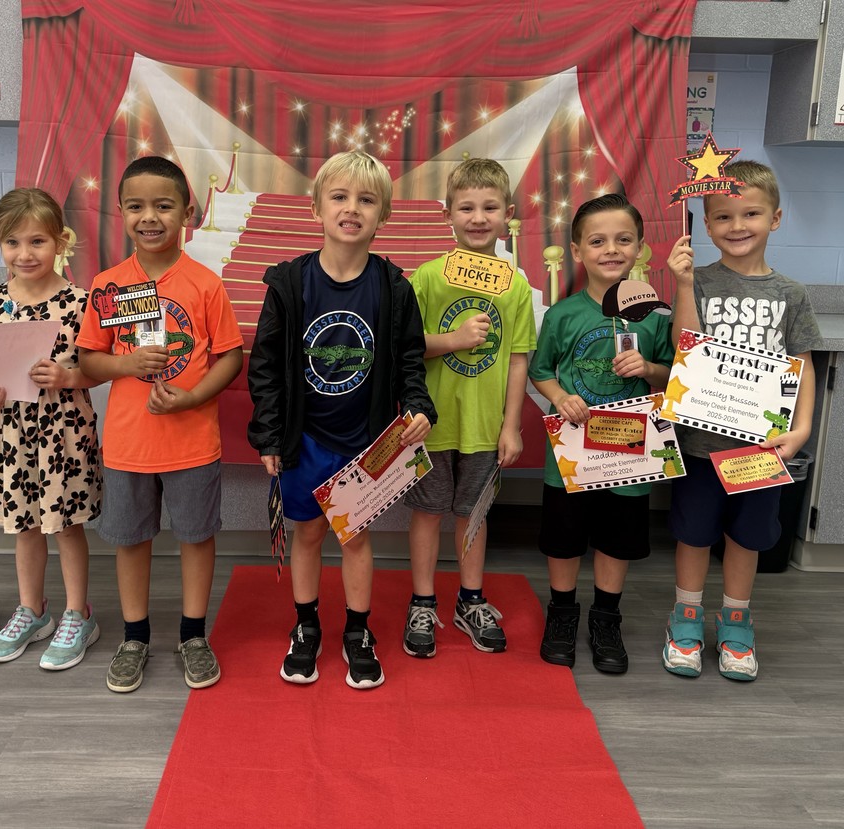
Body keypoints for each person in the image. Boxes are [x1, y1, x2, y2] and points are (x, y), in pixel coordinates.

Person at [248, 150, 435, 689]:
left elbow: (407, 359)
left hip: (364, 440)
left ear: (383, 216)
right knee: (306, 536)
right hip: (303, 440)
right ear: (317, 209)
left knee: (354, 540)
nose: (352, 208)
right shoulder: (288, 283)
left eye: (366, 199)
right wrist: (268, 434)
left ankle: (358, 632)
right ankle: (307, 626)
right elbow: (265, 366)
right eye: (340, 196)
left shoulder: (394, 286)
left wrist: (419, 407)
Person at [78, 157, 244, 693]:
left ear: (187, 214)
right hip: (128, 444)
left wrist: (192, 397)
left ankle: (194, 635)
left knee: (196, 538)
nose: (149, 217)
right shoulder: (108, 285)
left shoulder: (203, 284)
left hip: (193, 441)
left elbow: (231, 357)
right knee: (131, 540)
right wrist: (127, 364)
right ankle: (134, 637)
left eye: (163, 206)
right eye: (136, 206)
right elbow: (87, 362)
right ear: (121, 212)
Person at [664, 160, 821, 681]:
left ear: (775, 218)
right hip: (699, 442)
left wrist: (800, 430)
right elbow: (684, 348)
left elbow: (801, 365)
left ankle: (736, 619)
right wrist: (683, 286)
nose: (737, 226)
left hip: (761, 448)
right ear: (706, 225)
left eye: (750, 213)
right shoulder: (699, 282)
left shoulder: (792, 294)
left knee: (748, 536)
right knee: (693, 532)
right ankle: (685, 616)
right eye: (723, 217)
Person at [529, 193, 673, 673]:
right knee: (565, 538)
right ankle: (562, 613)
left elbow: (673, 376)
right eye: (597, 241)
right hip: (572, 451)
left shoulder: (656, 316)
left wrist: (650, 366)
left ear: (640, 249)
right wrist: (560, 395)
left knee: (617, 537)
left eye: (623, 239)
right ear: (577, 251)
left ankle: (606, 617)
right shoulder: (562, 315)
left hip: (630, 452)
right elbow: (540, 370)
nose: (611, 249)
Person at [402, 158, 536, 659]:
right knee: (427, 515)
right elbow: (406, 346)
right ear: (448, 214)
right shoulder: (429, 277)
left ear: (507, 214)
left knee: (472, 515)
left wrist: (511, 425)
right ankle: (421, 602)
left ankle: (471, 600)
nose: (478, 217)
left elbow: (519, 356)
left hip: (485, 425)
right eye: (467, 207)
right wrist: (454, 339)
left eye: (489, 207)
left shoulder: (516, 284)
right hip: (430, 425)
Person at [0, 188, 103, 671]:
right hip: (7, 438)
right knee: (23, 527)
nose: (24, 254)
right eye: (12, 243)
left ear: (60, 241)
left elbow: (100, 368)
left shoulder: (81, 303)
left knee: (66, 527)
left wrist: (70, 376)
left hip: (63, 437)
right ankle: (32, 610)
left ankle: (78, 614)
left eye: (37, 242)